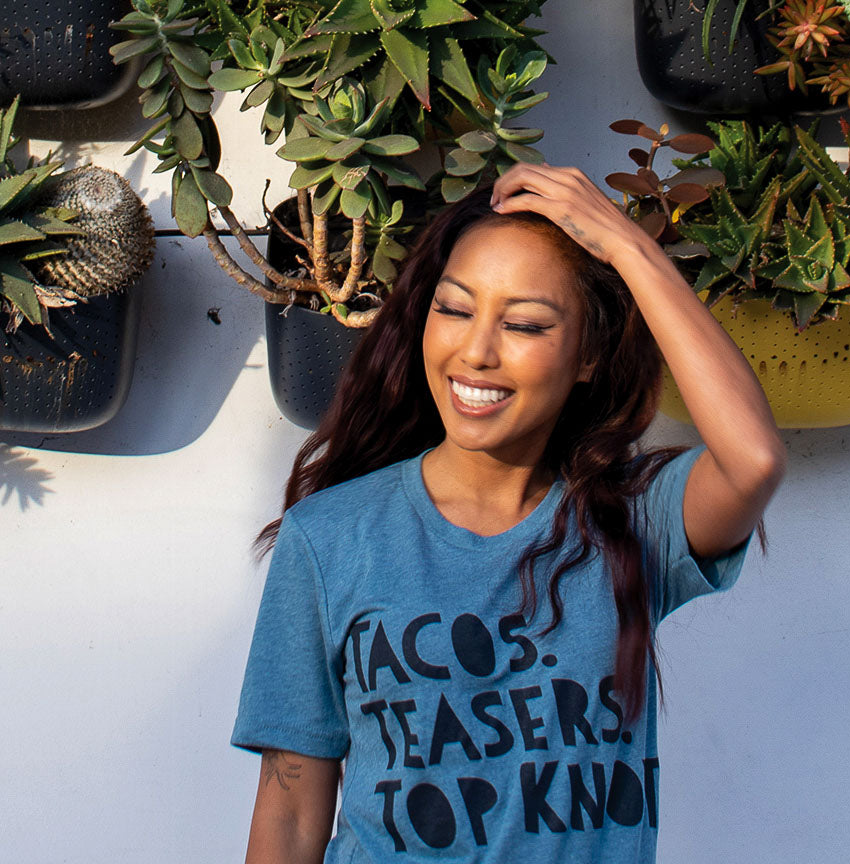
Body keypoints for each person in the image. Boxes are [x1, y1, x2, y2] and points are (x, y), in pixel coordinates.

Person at [232, 164, 786, 863]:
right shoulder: (330, 537)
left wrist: (629, 246)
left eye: (524, 324)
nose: (477, 352)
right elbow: (288, 814)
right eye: (455, 309)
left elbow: (754, 459)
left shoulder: (633, 521)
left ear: (587, 354)